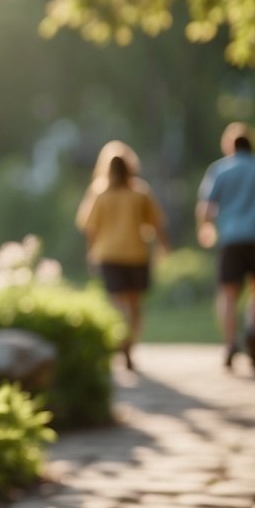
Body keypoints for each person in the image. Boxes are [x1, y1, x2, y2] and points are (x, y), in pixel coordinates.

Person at [196, 122, 255, 373]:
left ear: (229, 146)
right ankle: (253, 330)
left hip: (231, 240)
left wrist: (206, 229)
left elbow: (206, 206)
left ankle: (230, 342)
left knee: (228, 294)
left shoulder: (220, 170)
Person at [77, 142, 169, 371]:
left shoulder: (99, 192)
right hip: (136, 254)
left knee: (117, 303)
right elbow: (155, 223)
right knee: (135, 304)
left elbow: (89, 227)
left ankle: (122, 341)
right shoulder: (140, 191)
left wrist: (90, 253)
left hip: (109, 255)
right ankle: (129, 343)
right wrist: (162, 247)